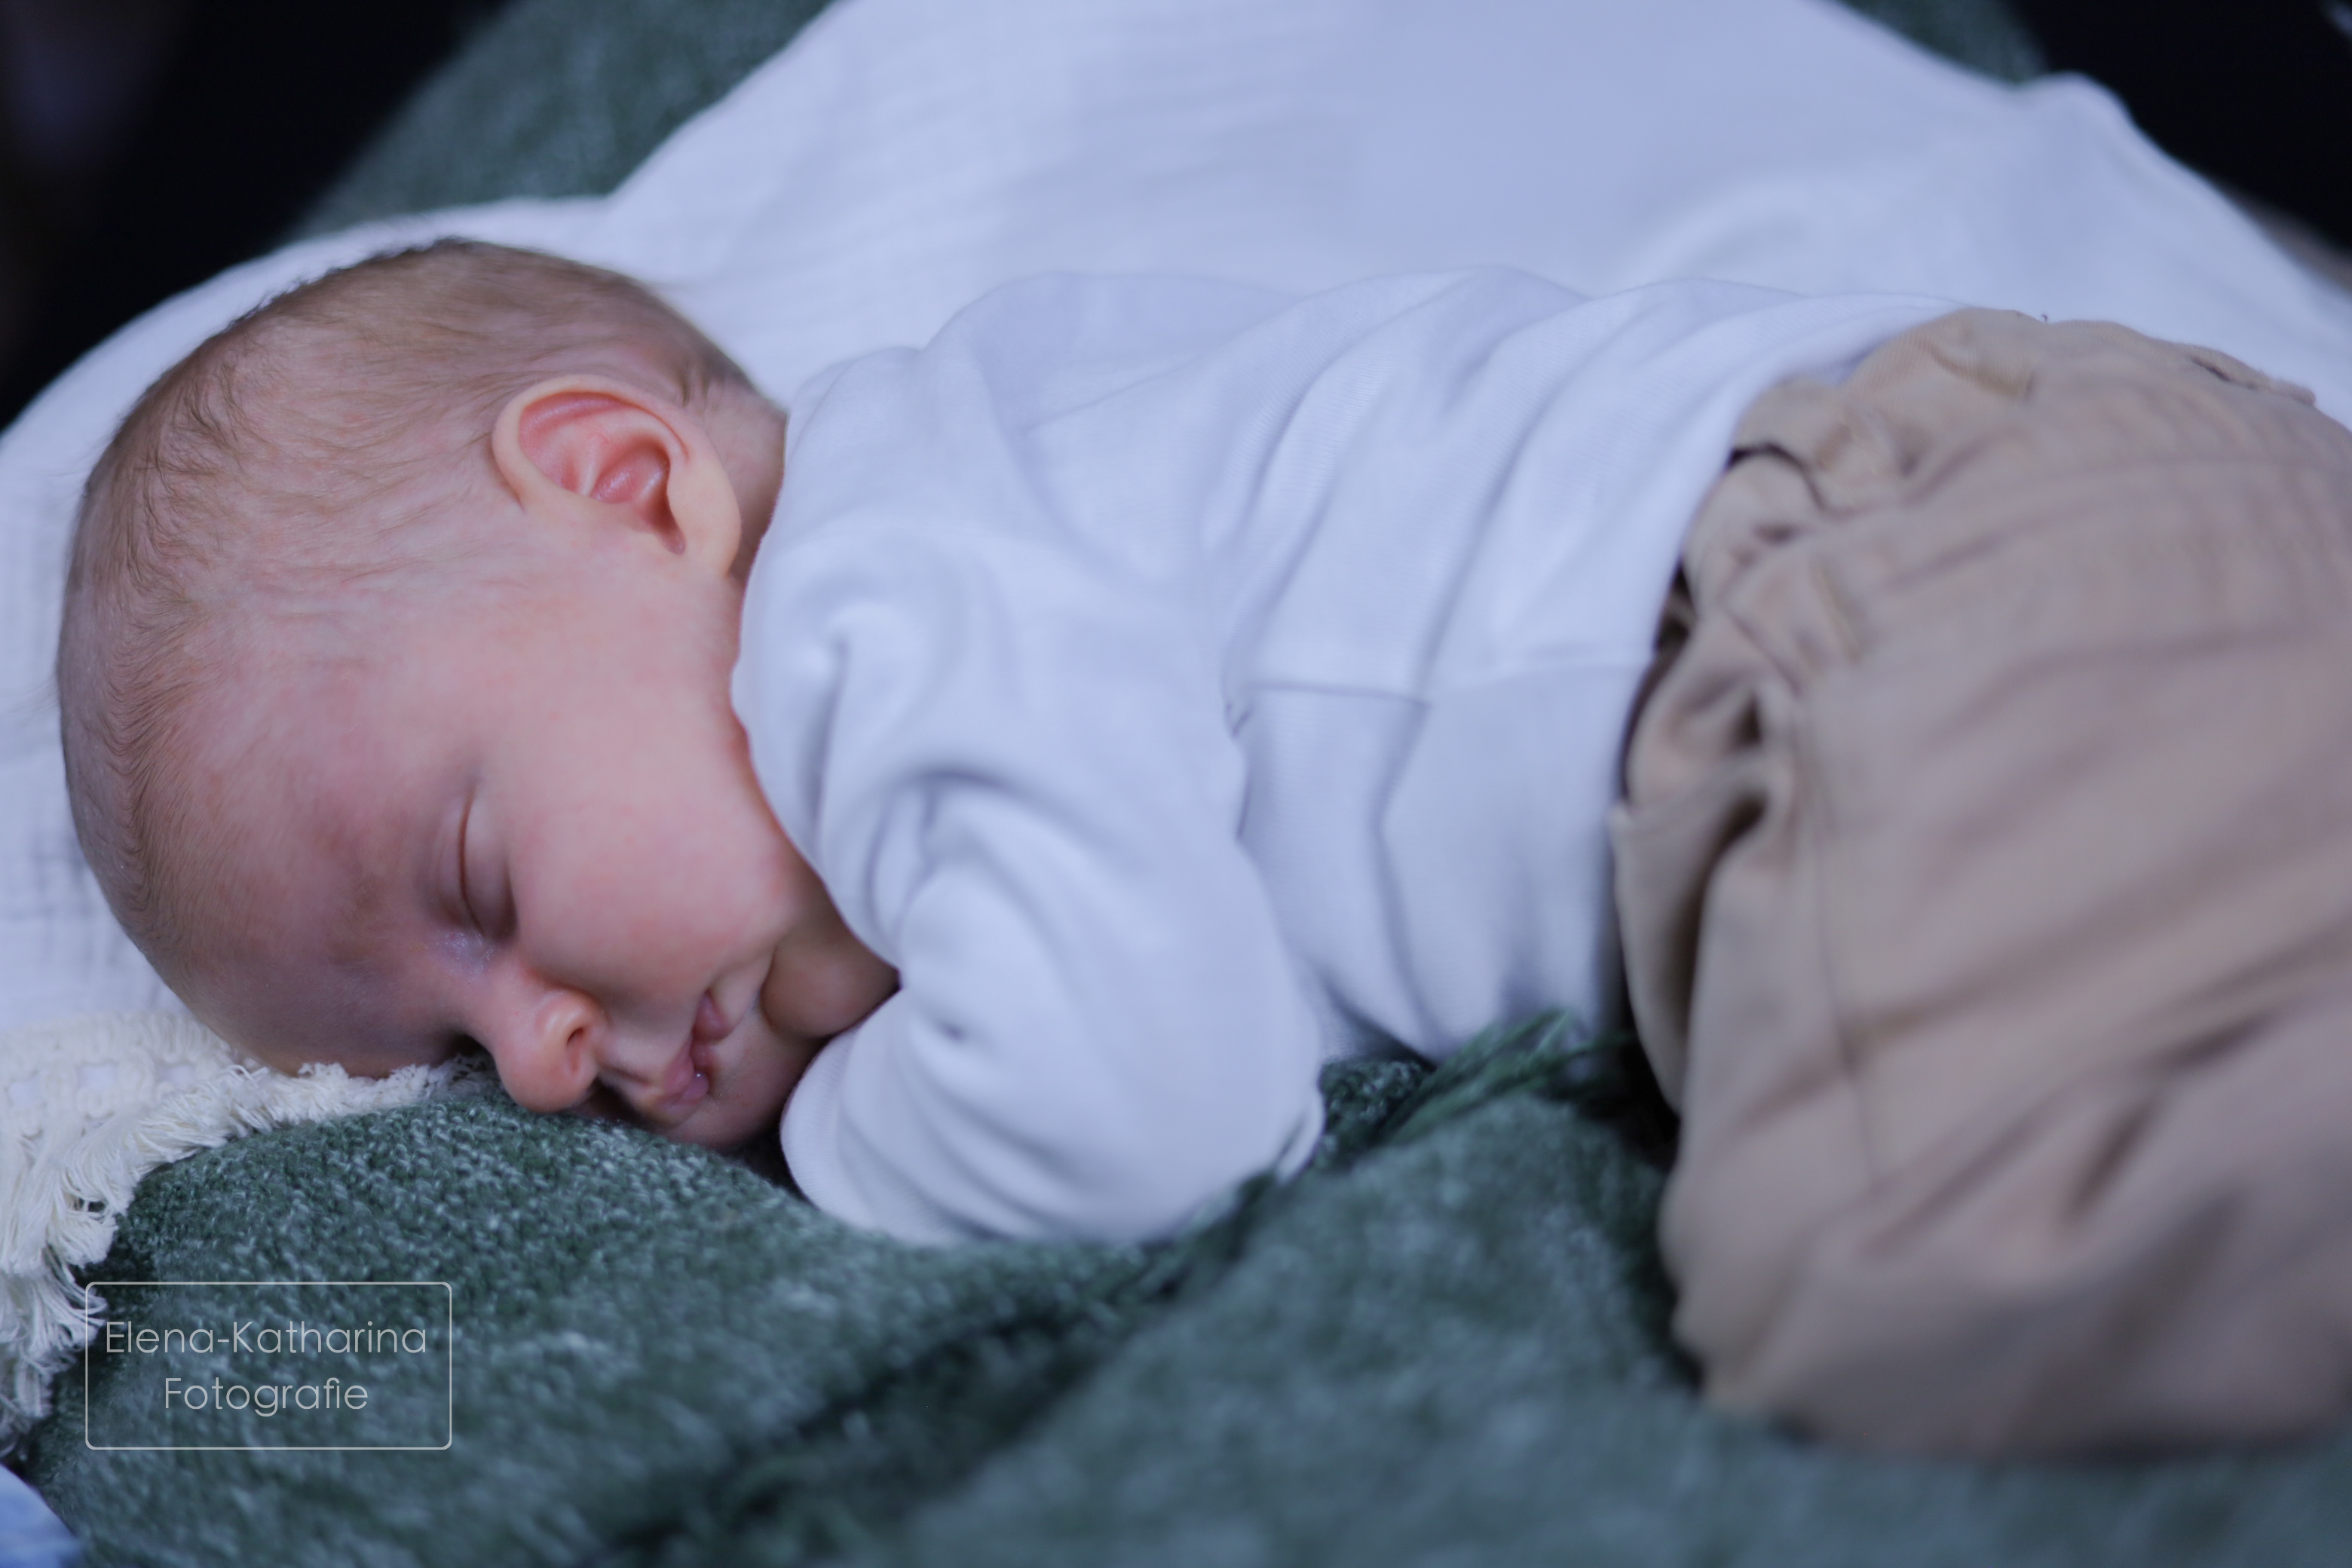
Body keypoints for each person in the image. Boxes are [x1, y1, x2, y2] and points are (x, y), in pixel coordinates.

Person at [54, 238, 2352, 1454]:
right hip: (1933, 601)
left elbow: (1148, 1102)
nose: (542, 1064)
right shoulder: (989, 533)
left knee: (1903, 1248)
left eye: (479, 893)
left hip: (1887, 574)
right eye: (445, 1044)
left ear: (631, 489)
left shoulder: (874, 588)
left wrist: (841, 1120)